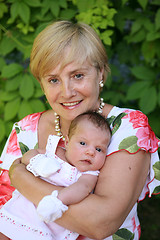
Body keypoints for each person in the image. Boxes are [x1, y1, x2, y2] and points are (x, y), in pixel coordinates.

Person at [0, 20, 160, 240]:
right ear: (42, 86)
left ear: (101, 74)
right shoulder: (26, 130)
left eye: (77, 76)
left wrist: (21, 178)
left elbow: (100, 223)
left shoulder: (127, 127)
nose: (67, 92)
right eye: (53, 80)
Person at [0, 111, 111, 240]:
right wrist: (37, 162)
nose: (90, 152)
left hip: (50, 222)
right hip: (23, 209)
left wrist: (57, 201)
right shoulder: (54, 150)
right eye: (83, 143)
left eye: (99, 149)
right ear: (68, 142)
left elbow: (82, 188)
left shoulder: (89, 174)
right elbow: (28, 155)